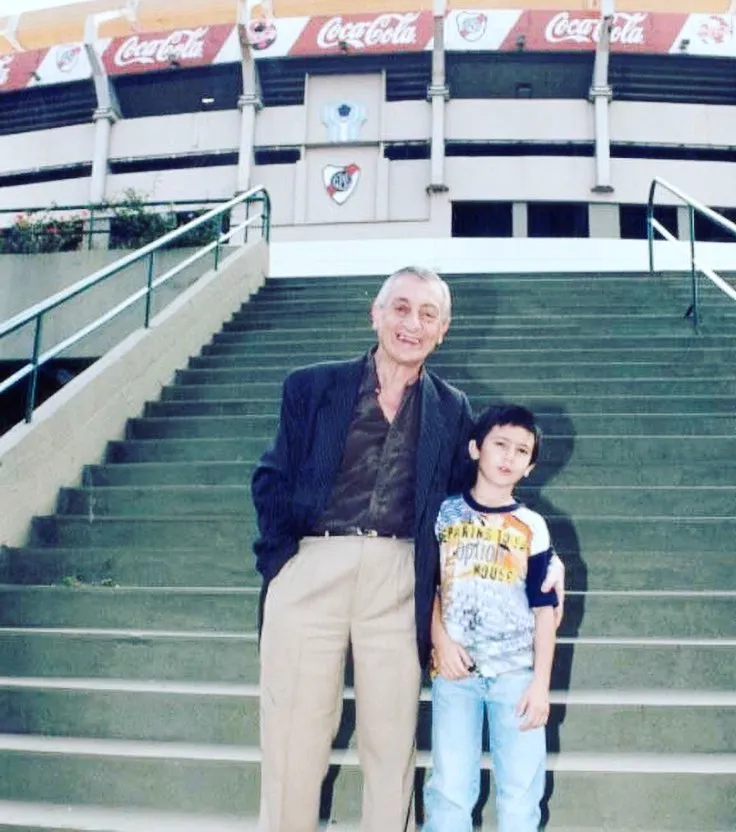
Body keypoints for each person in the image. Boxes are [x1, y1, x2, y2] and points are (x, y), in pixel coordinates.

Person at [251, 267, 564, 832]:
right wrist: (283, 563)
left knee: (392, 745)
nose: (411, 324)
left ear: (442, 331)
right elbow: (271, 476)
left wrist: (542, 554)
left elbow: (475, 497)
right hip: (312, 567)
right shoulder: (311, 387)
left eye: (427, 314)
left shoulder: (453, 408)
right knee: (293, 739)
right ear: (375, 314)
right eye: (400, 308)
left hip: (399, 578)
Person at [424, 404, 557, 832]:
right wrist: (440, 641)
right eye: (500, 444)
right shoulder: (443, 514)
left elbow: (545, 610)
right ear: (475, 448)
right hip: (455, 673)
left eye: (522, 451)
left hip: (516, 677)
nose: (508, 456)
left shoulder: (532, 526)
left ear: (530, 466)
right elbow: (427, 587)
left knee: (520, 793)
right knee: (449, 789)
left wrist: (540, 684)